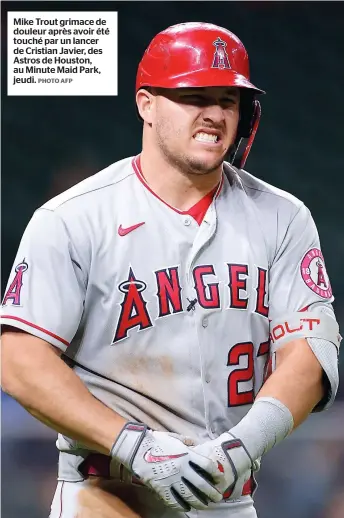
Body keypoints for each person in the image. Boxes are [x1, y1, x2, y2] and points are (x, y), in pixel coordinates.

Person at [1, 21, 341, 518]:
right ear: (147, 104)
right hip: (107, 495)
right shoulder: (74, 217)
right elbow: (17, 358)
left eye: (228, 99)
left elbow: (309, 354)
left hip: (229, 497)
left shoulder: (282, 217)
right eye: (193, 95)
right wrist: (135, 447)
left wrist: (242, 447)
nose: (215, 114)